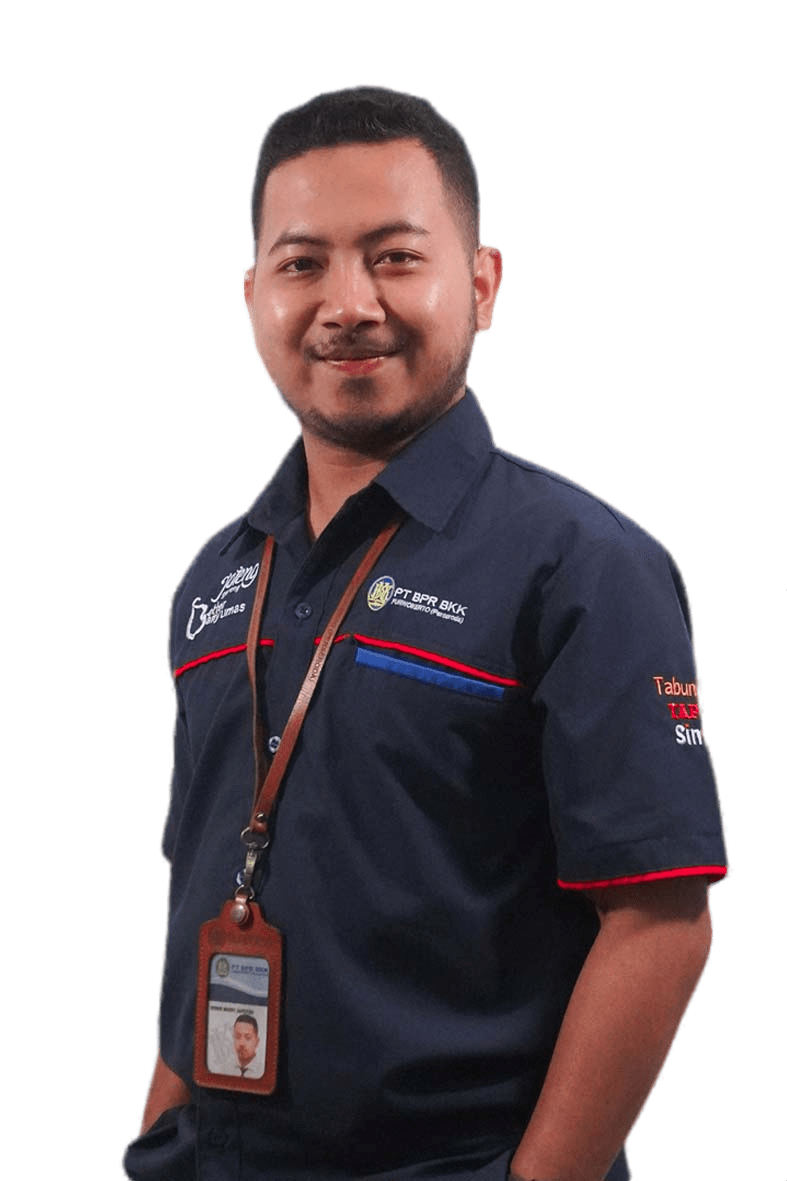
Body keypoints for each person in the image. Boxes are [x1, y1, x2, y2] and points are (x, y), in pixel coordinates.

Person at [122, 85, 728, 1181]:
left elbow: (660, 924)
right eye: (303, 263)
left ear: (481, 284)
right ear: (254, 295)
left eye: (395, 257)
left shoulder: (583, 564)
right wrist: (158, 1134)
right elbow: (205, 890)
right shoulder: (215, 577)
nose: (347, 303)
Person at [232, 1014, 262, 1078]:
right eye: (237, 1037)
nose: (242, 1043)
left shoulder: (263, 1072)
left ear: (257, 1042)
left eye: (248, 1038)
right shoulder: (224, 1068)